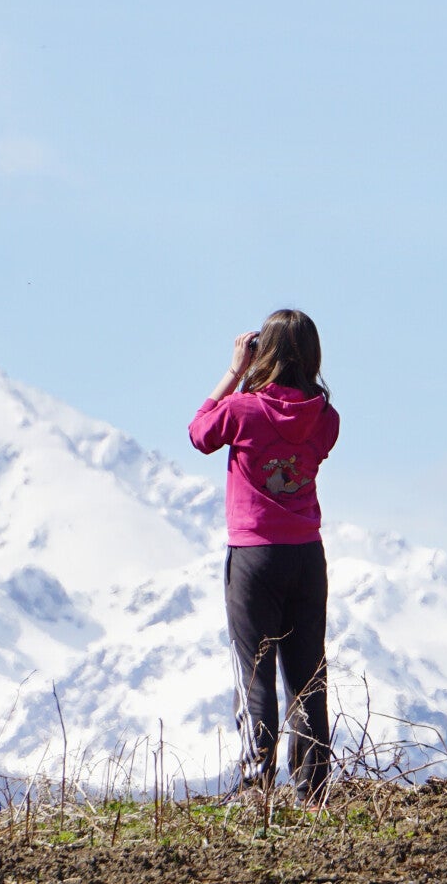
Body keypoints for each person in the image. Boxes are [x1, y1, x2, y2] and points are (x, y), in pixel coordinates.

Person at [189, 309, 340, 805]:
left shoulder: (244, 409)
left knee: (254, 672)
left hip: (254, 557)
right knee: (306, 674)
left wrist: (234, 372)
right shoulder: (326, 419)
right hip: (306, 556)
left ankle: (257, 787)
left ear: (263, 354)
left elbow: (199, 433)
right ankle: (312, 790)